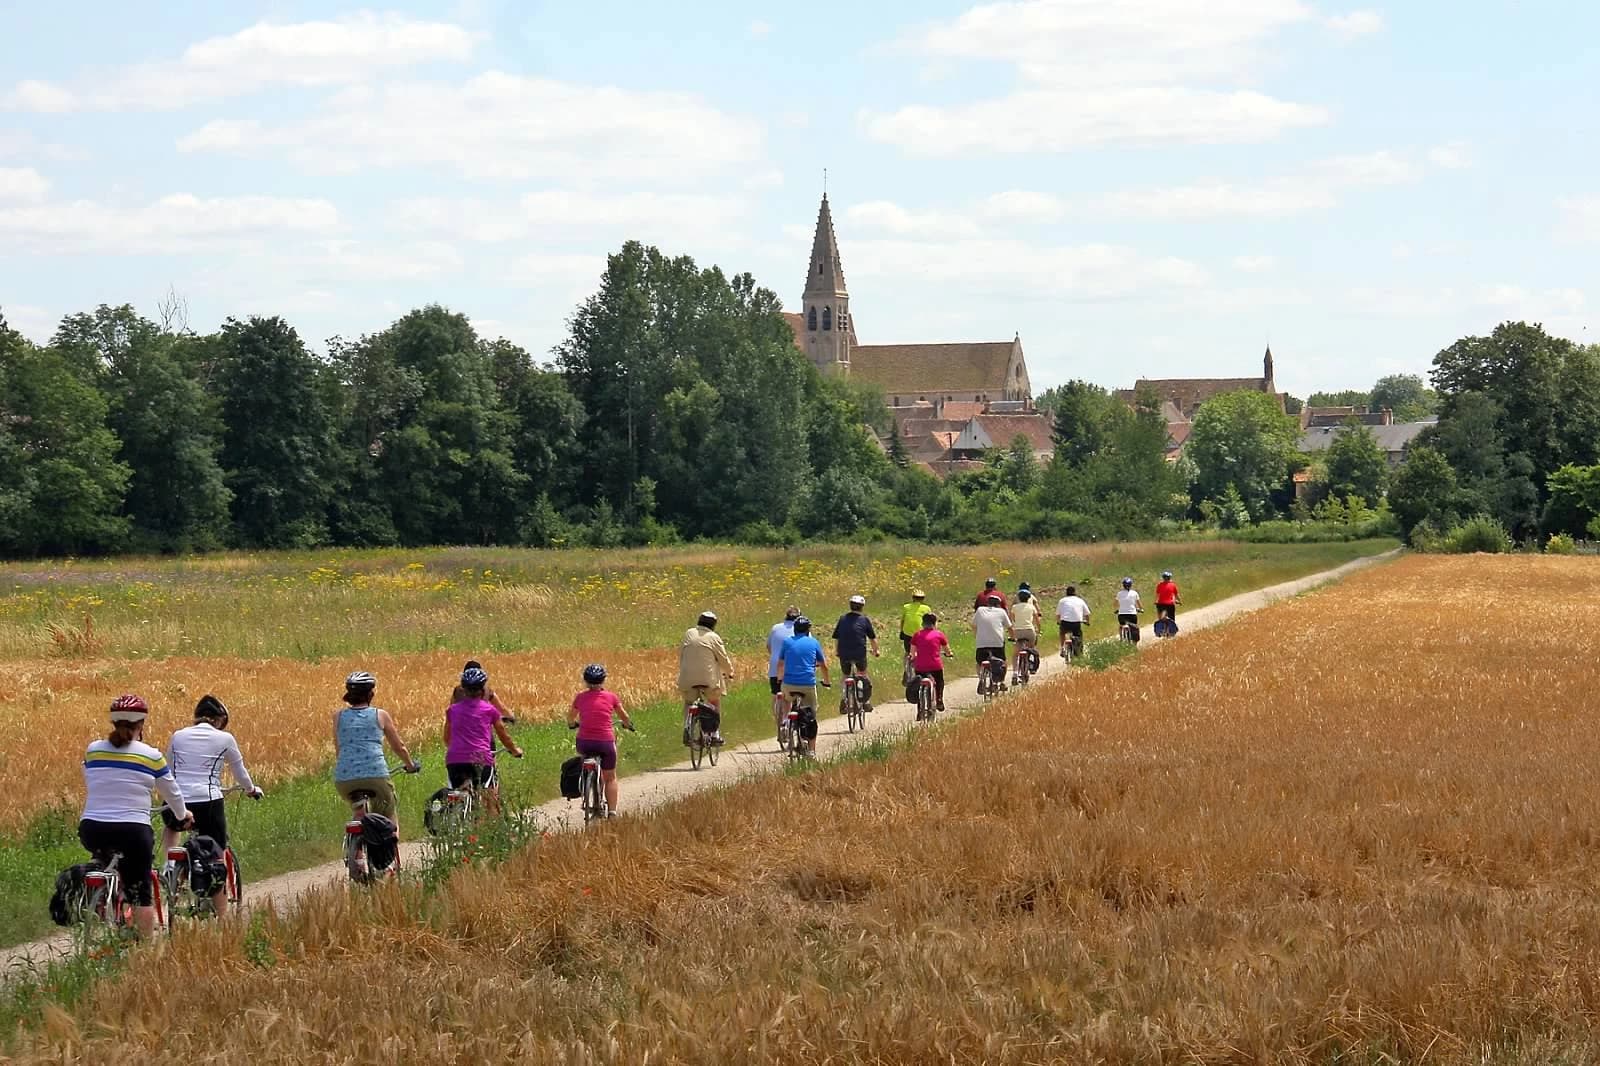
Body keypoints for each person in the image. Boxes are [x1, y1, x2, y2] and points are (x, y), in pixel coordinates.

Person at [81, 694, 191, 937]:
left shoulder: (93, 750)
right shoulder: (150, 755)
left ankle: (100, 897)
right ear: (141, 724)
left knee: (106, 857)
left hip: (91, 828)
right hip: (133, 831)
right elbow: (172, 793)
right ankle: (145, 951)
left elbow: (90, 778)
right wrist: (183, 815)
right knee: (141, 892)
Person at [160, 695, 261, 917]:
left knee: (171, 827)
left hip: (176, 799)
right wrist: (251, 789)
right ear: (218, 720)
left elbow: (169, 769)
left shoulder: (178, 736)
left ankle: (170, 866)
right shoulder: (224, 738)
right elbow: (240, 772)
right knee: (216, 852)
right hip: (208, 801)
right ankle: (223, 917)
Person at [332, 671, 420, 832]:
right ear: (370, 694)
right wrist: (410, 765)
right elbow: (398, 746)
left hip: (344, 778)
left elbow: (339, 748)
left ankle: (355, 850)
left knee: (357, 807)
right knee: (388, 813)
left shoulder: (338, 716)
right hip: (375, 775)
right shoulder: (380, 715)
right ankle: (390, 850)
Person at [444, 666, 523, 814]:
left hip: (454, 760)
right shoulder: (489, 710)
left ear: (464, 690)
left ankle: (455, 820)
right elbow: (503, 735)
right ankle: (491, 829)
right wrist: (514, 750)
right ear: (482, 690)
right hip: (480, 758)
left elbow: (446, 738)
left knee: (459, 791)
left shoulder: (452, 711)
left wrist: (456, 750)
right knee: (489, 798)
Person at [568, 664, 635, 817]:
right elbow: (624, 717)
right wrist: (627, 724)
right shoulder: (611, 697)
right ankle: (612, 812)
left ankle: (587, 780)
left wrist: (572, 725)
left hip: (584, 743)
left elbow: (570, 718)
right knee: (610, 777)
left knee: (585, 757)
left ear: (585, 681)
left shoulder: (580, 697)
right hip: (605, 742)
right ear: (603, 680)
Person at [775, 616, 832, 757]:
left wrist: (779, 678)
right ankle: (811, 750)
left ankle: (786, 722)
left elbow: (780, 664)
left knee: (787, 699)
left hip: (788, 684)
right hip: (807, 685)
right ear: (808, 630)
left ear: (794, 630)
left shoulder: (787, 642)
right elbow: (823, 665)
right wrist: (827, 681)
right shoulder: (814, 642)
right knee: (811, 715)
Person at [678, 611, 734, 745]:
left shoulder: (689, 633)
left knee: (689, 702)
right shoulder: (713, 637)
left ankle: (687, 727)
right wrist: (730, 672)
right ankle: (715, 734)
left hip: (687, 677)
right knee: (714, 701)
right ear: (713, 625)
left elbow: (682, 653)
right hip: (708, 680)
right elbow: (723, 658)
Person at [831, 594, 879, 712]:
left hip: (844, 652)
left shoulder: (842, 619)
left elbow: (836, 637)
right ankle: (866, 702)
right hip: (859, 653)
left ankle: (844, 699)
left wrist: (837, 651)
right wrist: (876, 651)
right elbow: (872, 638)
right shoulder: (864, 620)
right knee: (863, 674)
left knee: (845, 675)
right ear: (862, 607)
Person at [910, 612, 954, 712]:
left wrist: (913, 658)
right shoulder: (939, 634)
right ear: (935, 623)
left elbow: (912, 653)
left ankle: (919, 708)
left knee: (919, 683)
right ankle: (939, 700)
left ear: (923, 623)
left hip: (920, 667)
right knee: (939, 681)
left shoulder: (917, 635)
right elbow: (947, 650)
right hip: (935, 666)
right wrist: (949, 654)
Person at [973, 594, 1012, 691]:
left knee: (979, 662)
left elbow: (973, 625)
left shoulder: (980, 610)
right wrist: (1013, 637)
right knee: (1003, 661)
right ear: (998, 604)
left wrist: (977, 636)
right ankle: (1002, 682)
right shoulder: (1001, 612)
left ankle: (981, 680)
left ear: (988, 604)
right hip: (997, 643)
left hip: (981, 643)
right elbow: (1010, 627)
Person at [766, 606, 800, 696]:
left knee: (776, 694)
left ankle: (775, 709)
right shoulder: (801, 629)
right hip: (793, 669)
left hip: (775, 667)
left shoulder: (775, 628)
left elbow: (769, 646)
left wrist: (775, 655)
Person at [1009, 588, 1042, 670]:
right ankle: (1030, 663)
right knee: (1031, 647)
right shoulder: (1031, 607)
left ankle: (1015, 673)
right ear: (1028, 598)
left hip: (1018, 631)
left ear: (1019, 598)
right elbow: (1037, 620)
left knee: (1015, 654)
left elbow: (1012, 619)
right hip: (1030, 631)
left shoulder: (1014, 607)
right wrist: (1039, 630)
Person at [1055, 584, 1091, 655]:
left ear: (1066, 593)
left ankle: (1062, 648)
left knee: (1062, 633)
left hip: (1065, 622)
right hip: (1076, 623)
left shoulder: (1062, 601)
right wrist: (1087, 621)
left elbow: (1058, 614)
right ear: (1075, 592)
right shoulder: (1080, 600)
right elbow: (1087, 614)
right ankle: (1079, 652)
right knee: (1078, 636)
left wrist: (1058, 621)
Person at [898, 589, 928, 655]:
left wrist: (901, 631)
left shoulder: (906, 607)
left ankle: (908, 664)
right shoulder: (926, 608)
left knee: (908, 652)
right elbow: (930, 622)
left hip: (909, 633)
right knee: (921, 652)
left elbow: (902, 621)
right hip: (920, 634)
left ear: (913, 598)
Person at [1115, 577, 1142, 644]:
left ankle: (1121, 639)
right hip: (1132, 614)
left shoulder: (1119, 593)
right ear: (1131, 585)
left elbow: (1115, 604)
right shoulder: (1135, 593)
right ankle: (1134, 643)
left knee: (1121, 625)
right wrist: (1141, 609)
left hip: (1122, 614)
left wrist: (1118, 609)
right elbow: (1139, 603)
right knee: (1134, 627)